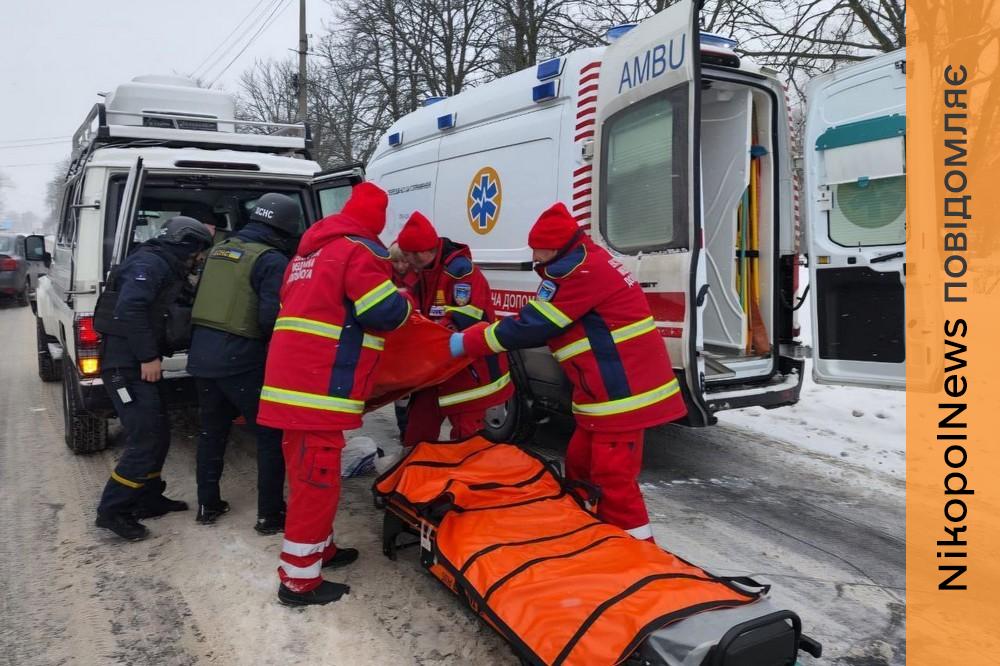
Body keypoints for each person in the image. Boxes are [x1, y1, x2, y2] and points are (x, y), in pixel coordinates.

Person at [450, 202, 688, 541]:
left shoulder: (580, 272)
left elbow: (533, 325)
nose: (534, 259)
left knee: (612, 479)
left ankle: (640, 552)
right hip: (601, 393)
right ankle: (581, 532)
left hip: (622, 397)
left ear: (556, 248)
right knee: (578, 463)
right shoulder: (582, 262)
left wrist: (469, 341)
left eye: (538, 252)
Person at [258, 183, 412, 606]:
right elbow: (382, 314)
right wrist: (404, 301)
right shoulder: (360, 252)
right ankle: (298, 582)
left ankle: (319, 550)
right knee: (317, 484)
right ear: (376, 223)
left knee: (307, 476)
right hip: (317, 390)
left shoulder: (307, 253)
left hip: (291, 385)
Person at [93, 216, 214, 541]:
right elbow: (130, 309)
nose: (199, 257)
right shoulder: (149, 264)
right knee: (144, 438)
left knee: (158, 432)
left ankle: (147, 497)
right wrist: (147, 356)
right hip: (125, 366)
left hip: (137, 363)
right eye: (199, 250)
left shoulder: (164, 264)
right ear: (186, 244)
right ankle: (112, 510)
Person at [187, 193, 303, 533]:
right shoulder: (271, 260)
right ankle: (270, 515)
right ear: (284, 227)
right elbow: (271, 318)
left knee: (212, 432)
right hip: (243, 359)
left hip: (202, 356)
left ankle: (208, 504)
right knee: (270, 436)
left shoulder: (219, 250)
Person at [396, 211, 513, 446]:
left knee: (467, 439)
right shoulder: (425, 272)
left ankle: (466, 480)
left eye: (410, 256)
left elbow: (466, 317)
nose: (407, 262)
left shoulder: (460, 271)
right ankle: (414, 475)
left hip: (467, 369)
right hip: (437, 366)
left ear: (424, 251)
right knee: (417, 431)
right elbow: (417, 302)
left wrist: (429, 335)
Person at [387, 242, 417, 439]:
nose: (400, 266)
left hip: (412, 339)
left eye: (404, 261)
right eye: (396, 262)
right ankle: (403, 428)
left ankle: (408, 428)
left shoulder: (417, 278)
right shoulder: (385, 276)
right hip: (396, 340)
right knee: (400, 392)